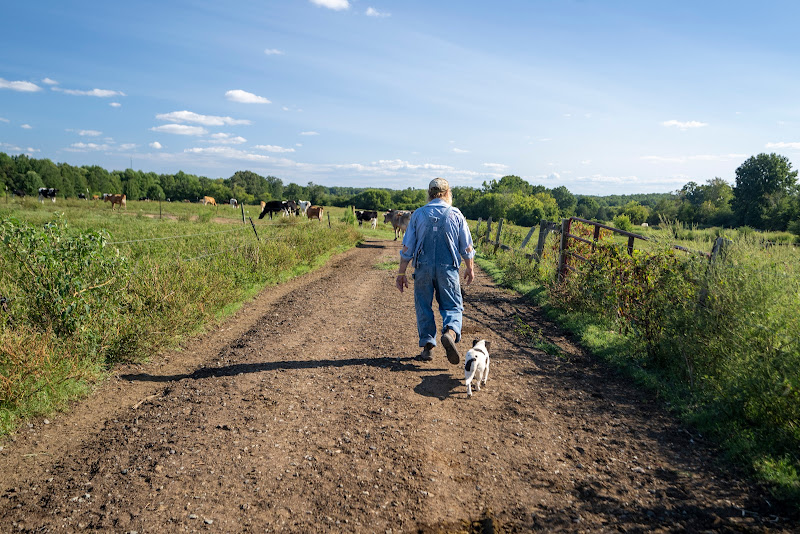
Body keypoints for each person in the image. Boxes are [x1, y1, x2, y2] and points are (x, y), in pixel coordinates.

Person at [395, 178, 475, 363]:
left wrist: (401, 273)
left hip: (422, 268)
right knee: (453, 305)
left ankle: (428, 346)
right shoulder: (456, 214)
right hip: (448, 270)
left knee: (423, 306)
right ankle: (450, 333)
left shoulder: (418, 215)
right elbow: (467, 247)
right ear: (448, 193)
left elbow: (407, 248)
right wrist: (470, 268)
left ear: (429, 194)